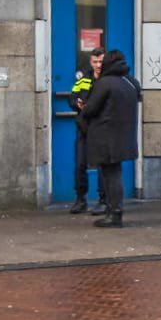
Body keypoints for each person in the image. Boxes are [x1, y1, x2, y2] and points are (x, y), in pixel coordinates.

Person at [80, 48, 140, 228]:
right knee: (115, 174)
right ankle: (114, 211)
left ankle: (114, 214)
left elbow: (91, 109)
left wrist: (84, 108)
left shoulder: (105, 83)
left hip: (106, 136)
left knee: (110, 176)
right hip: (123, 136)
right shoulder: (131, 83)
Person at [68, 47, 105, 214]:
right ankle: (80, 199)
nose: (98, 65)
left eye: (100, 61)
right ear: (91, 62)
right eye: (95, 61)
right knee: (80, 164)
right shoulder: (84, 79)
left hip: (102, 129)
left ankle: (103, 200)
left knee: (104, 167)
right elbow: (72, 96)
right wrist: (77, 104)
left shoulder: (108, 79)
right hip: (84, 128)